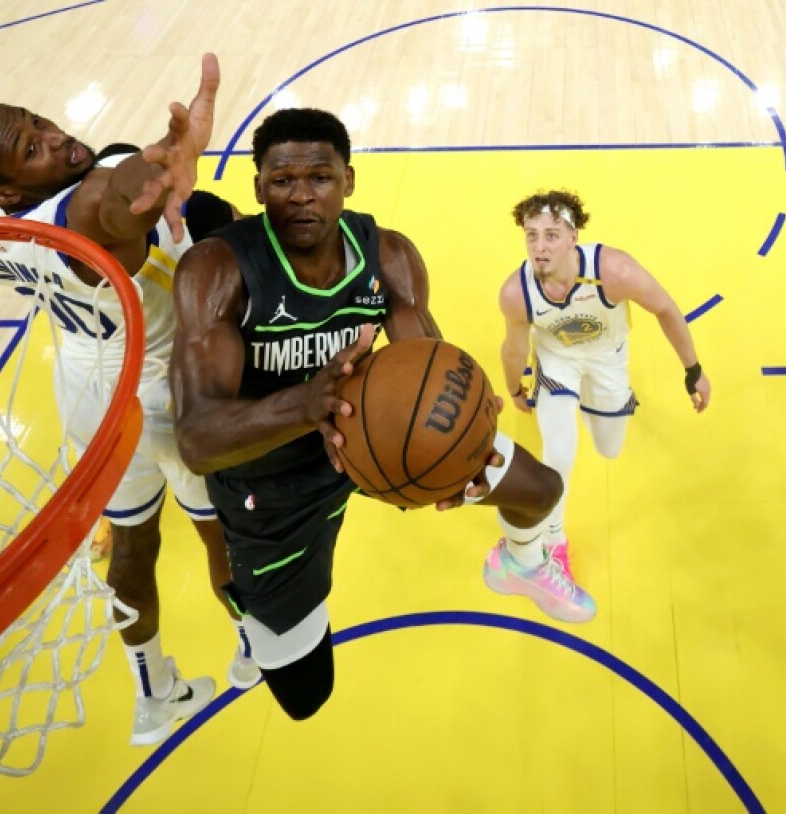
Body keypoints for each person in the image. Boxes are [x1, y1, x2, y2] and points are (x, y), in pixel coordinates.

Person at [0, 54, 259, 747]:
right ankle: (253, 649)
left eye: (38, 123)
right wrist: (159, 165)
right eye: (32, 148)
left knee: (133, 542)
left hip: (90, 394)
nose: (57, 137)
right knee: (222, 533)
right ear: (5, 187)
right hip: (166, 388)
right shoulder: (85, 207)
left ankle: (154, 694)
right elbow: (114, 195)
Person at [169, 107, 589, 723]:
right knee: (305, 695)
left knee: (541, 490)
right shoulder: (217, 269)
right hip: (270, 480)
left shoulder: (387, 255)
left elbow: (427, 359)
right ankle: (249, 612)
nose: (302, 195)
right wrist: (303, 404)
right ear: (258, 188)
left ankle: (520, 563)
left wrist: (466, 424)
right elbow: (198, 442)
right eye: (282, 181)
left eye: (321, 177)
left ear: (349, 180)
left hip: (373, 437)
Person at [499, 189, 712, 581]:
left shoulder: (615, 271)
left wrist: (693, 370)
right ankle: (554, 541)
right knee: (559, 452)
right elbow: (513, 349)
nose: (539, 247)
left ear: (573, 237)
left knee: (608, 448)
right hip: (556, 362)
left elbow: (665, 308)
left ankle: (590, 403)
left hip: (607, 358)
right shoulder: (517, 293)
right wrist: (515, 389)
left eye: (551, 235)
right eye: (532, 235)